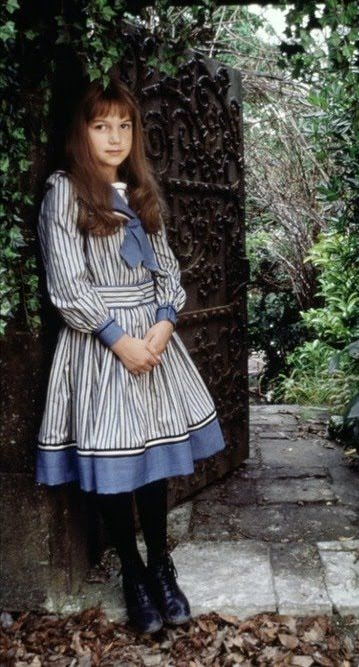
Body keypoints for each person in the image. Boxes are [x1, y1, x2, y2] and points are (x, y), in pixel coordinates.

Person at [35, 75, 227, 633]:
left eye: (124, 125)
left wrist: (165, 324)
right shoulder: (65, 192)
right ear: (82, 132)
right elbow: (68, 286)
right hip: (103, 347)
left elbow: (167, 270)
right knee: (117, 461)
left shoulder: (139, 191)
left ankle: (162, 565)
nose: (114, 137)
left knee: (153, 462)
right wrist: (119, 340)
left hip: (152, 343)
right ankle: (134, 573)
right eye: (101, 126)